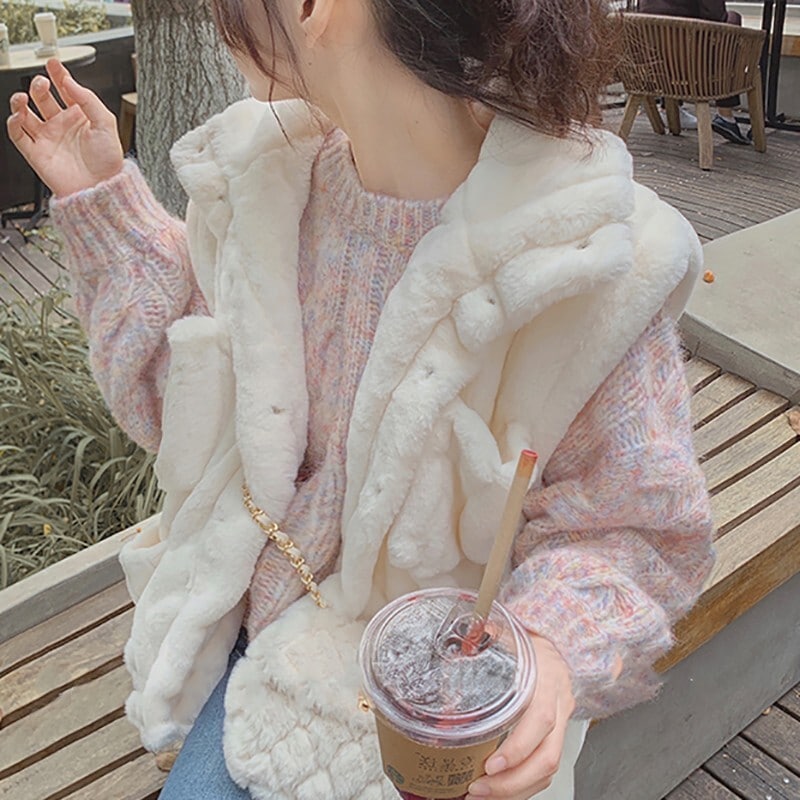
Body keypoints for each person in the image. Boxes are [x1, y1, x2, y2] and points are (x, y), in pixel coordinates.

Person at [7, 1, 714, 798]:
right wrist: (105, 201)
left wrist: (550, 646)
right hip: (252, 634)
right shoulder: (259, 185)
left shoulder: (586, 260)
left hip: (439, 707)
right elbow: (182, 416)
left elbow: (635, 530)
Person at [639, 0, 752, 144]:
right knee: (732, 20)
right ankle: (725, 113)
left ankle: (669, 108)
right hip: (694, 66)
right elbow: (715, 16)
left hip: (655, 66)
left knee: (670, 26)